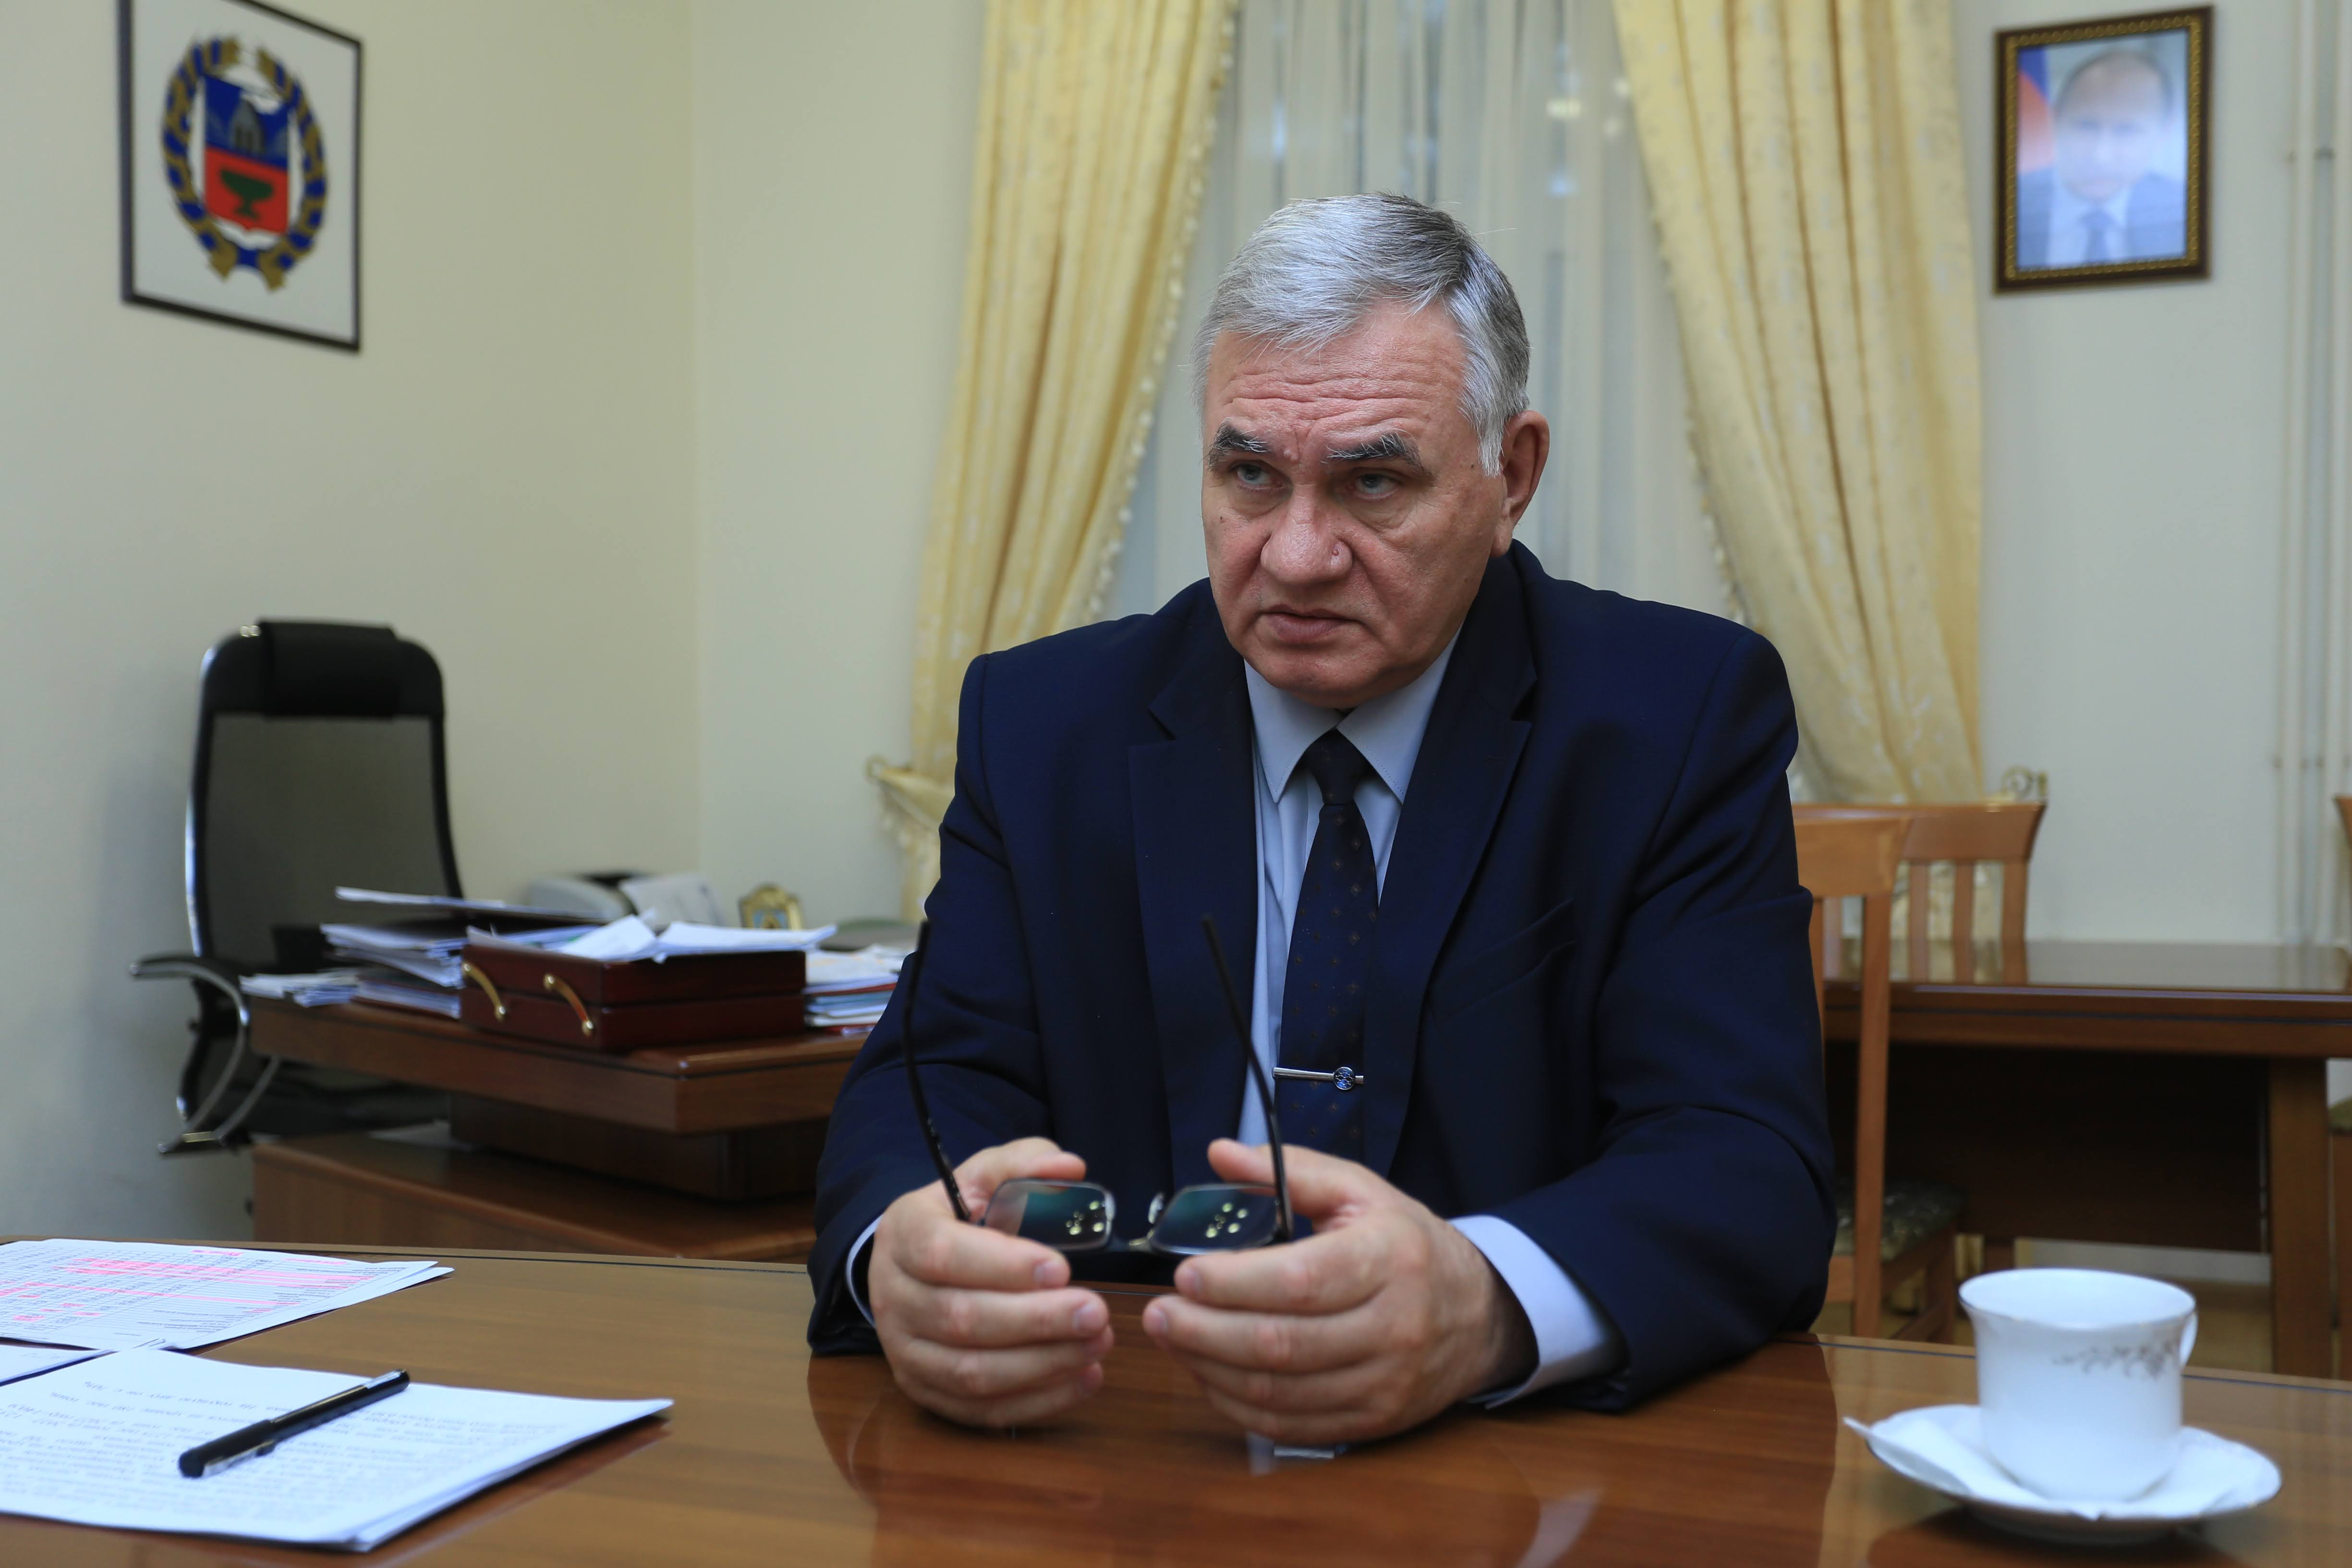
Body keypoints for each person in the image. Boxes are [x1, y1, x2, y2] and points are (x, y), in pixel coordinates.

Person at [810, 193, 1834, 1444]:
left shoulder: (1673, 719)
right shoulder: (1041, 725)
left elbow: (1743, 1160)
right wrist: (903, 1248)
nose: (1295, 556)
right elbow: (928, 1083)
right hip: (1127, 1434)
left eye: (1372, 482)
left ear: (1510, 477)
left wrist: (1484, 1302)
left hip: (1509, 1463)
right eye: (1250, 474)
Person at [2017, 47, 2186, 268]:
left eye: (2126, 131)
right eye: (2086, 126)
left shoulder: (2188, 212)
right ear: (2055, 118)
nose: (2101, 157)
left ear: (2164, 133)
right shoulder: (2010, 204)